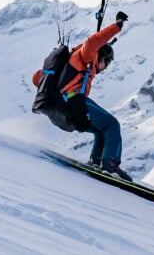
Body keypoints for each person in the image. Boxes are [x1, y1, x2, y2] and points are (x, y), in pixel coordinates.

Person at [35, 10, 133, 180]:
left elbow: (37, 78)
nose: (105, 68)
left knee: (101, 130)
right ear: (101, 55)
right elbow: (93, 41)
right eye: (107, 63)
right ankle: (110, 164)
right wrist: (116, 26)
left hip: (61, 111)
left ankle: (96, 161)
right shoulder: (85, 55)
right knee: (112, 125)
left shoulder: (74, 65)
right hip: (72, 104)